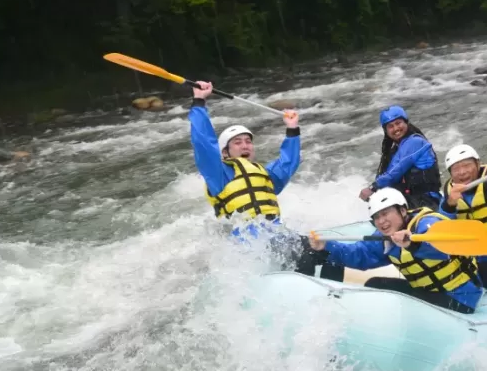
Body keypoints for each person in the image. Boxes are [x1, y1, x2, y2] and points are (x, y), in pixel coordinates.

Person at [308, 187, 482, 314]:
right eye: (376, 217)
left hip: (460, 297)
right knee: (374, 284)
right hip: (429, 292)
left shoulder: (427, 224)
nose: (381, 221)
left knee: (400, 302)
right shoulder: (386, 238)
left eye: (385, 214)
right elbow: (361, 255)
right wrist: (327, 246)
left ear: (403, 210)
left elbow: (440, 250)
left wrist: (413, 244)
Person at [189, 81, 300, 234]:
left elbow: (288, 164)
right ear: (225, 152)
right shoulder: (218, 175)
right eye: (237, 142)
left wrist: (292, 129)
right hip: (244, 240)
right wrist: (199, 101)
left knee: (323, 247)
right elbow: (204, 143)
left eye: (248, 141)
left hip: (276, 234)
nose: (245, 146)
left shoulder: (265, 175)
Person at [359, 106, 442, 209]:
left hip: (427, 202)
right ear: (386, 131)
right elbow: (387, 173)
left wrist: (373, 188)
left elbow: (395, 171)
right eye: (390, 126)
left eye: (398, 123)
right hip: (410, 201)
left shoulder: (415, 142)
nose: (396, 129)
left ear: (406, 122)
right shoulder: (396, 148)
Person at [439, 143, 487, 287]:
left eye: (466, 166)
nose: (462, 172)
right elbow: (443, 225)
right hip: (474, 255)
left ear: (478, 164)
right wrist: (450, 205)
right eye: (456, 169)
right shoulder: (449, 192)